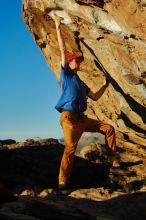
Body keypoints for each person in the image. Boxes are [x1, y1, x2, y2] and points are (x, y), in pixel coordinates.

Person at [54, 16, 120, 190]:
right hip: (69, 119)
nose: (79, 62)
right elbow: (62, 50)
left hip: (82, 119)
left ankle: (113, 161)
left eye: (79, 61)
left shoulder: (82, 84)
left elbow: (96, 97)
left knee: (108, 128)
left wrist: (105, 85)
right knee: (69, 149)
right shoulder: (66, 75)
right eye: (76, 60)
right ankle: (62, 182)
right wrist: (57, 26)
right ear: (69, 62)